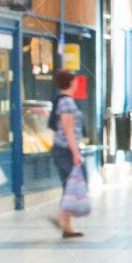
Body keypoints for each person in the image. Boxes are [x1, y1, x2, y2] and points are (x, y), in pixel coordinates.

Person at [48, 68, 86, 240]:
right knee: (71, 187)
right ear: (71, 83)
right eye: (75, 80)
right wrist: (75, 152)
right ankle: (61, 219)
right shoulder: (67, 103)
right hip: (65, 150)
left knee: (69, 188)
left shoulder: (62, 100)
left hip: (62, 149)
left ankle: (67, 226)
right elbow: (68, 129)